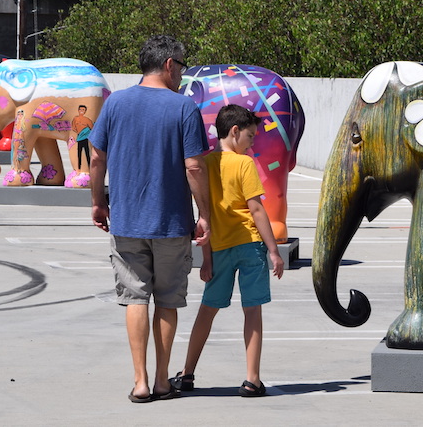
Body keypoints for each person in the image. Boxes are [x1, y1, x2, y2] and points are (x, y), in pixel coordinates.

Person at [89, 34, 212, 404]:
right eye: (182, 68)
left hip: (127, 221)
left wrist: (98, 202)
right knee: (168, 300)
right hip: (172, 222)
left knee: (135, 298)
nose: (182, 76)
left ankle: (140, 382)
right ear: (170, 65)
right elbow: (194, 166)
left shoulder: (115, 105)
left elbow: (96, 158)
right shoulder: (183, 108)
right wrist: (204, 213)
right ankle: (162, 381)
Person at [170, 104, 284, 398]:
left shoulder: (204, 164)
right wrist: (273, 250)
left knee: (207, 311)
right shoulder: (244, 164)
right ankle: (252, 379)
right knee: (252, 311)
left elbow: (204, 215)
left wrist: (206, 260)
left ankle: (187, 373)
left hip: (218, 249)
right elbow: (256, 209)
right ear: (234, 132)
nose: (252, 142)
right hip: (249, 245)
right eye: (250, 136)